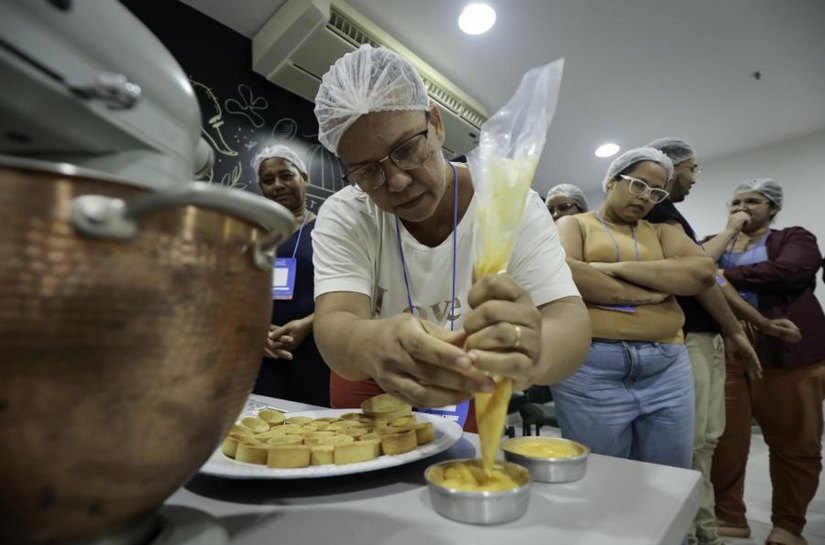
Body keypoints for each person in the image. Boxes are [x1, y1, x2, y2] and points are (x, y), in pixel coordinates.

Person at [310, 44, 591, 430]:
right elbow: (335, 322)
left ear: (437, 125)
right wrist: (370, 342)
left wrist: (535, 349)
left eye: (407, 149)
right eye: (367, 173)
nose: (397, 181)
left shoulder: (510, 202)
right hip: (372, 374)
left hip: (469, 376)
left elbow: (568, 318)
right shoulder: (347, 214)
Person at [644, 137, 787, 545]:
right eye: (692, 168)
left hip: (708, 337)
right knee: (691, 444)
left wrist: (747, 323)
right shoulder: (658, 211)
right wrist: (729, 230)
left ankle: (704, 530)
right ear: (670, 168)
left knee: (707, 440)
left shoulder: (677, 219)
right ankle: (689, 530)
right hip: (687, 338)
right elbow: (703, 270)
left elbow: (715, 279)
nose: (694, 178)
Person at [551, 147, 716, 470]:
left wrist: (612, 268)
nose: (645, 197)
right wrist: (656, 290)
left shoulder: (664, 231)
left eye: (656, 192)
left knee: (670, 475)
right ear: (612, 181)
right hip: (591, 368)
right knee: (603, 476)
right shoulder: (574, 224)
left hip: (666, 367)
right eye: (637, 184)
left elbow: (703, 273)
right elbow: (568, 273)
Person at [701, 179, 825, 545]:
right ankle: (729, 515)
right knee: (724, 440)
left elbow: (792, 271)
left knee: (794, 442)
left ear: (772, 207)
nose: (742, 207)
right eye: (736, 201)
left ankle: (788, 526)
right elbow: (694, 271)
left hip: (788, 349)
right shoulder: (716, 241)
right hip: (728, 348)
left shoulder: (793, 238)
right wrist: (727, 236)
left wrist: (723, 277)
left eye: (753, 200)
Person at [250, 144, 329, 407]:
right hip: (261, 352)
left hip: (316, 349)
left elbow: (354, 293)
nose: (278, 185)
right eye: (268, 180)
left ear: (304, 178)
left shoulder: (329, 230)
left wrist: (307, 325)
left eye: (286, 175)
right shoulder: (252, 235)